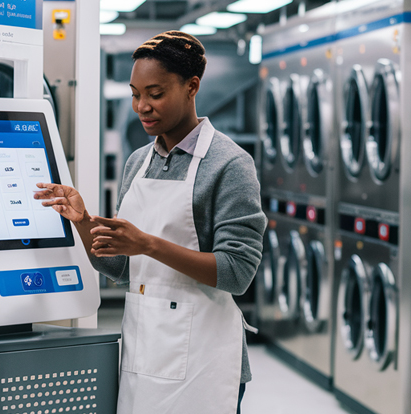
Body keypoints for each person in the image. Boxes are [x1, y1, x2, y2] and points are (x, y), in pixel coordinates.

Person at [34, 31, 266, 413]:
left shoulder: (229, 164)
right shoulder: (139, 161)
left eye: (155, 94)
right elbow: (120, 268)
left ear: (192, 87)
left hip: (204, 361)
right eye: (135, 94)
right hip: (145, 353)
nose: (142, 106)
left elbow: (237, 273)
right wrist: (83, 222)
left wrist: (148, 245)